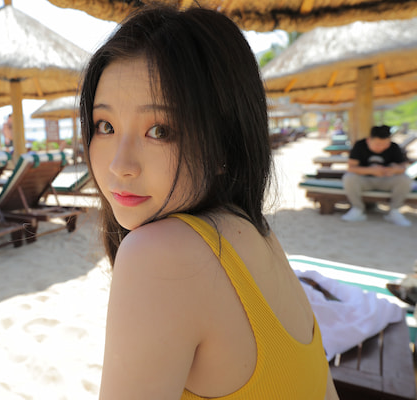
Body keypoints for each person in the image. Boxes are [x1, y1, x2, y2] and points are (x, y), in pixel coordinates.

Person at [80, 6, 339, 399]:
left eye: (160, 130)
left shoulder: (158, 255)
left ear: (224, 144)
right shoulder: (255, 233)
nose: (120, 165)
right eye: (105, 126)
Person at [341, 125, 413, 226]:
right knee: (349, 177)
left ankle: (394, 211)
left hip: (386, 181)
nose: (382, 147)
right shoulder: (360, 145)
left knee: (405, 179)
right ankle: (357, 209)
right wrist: (371, 170)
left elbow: (403, 168)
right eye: (378, 144)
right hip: (364, 181)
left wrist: (393, 170)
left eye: (386, 144)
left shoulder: (394, 147)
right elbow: (351, 168)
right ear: (368, 140)